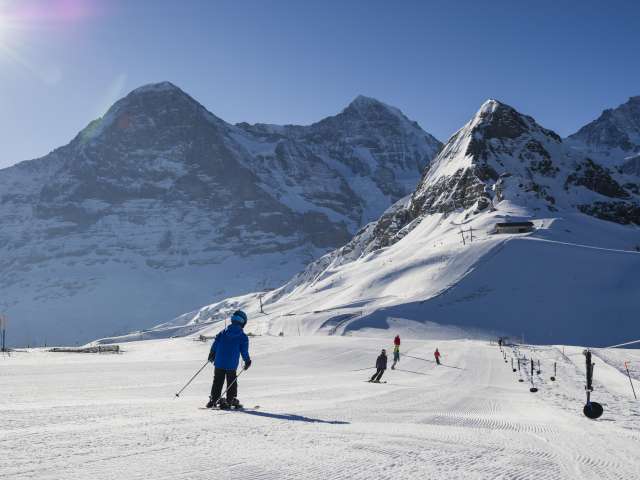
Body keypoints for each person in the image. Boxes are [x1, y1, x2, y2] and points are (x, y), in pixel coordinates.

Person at [205, 310, 252, 409]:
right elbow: (244, 351)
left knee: (217, 380)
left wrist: (212, 354)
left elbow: (215, 344)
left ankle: (214, 399)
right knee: (232, 381)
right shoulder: (242, 337)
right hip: (231, 364)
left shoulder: (223, 332)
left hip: (219, 362)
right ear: (243, 322)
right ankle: (230, 400)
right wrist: (247, 361)